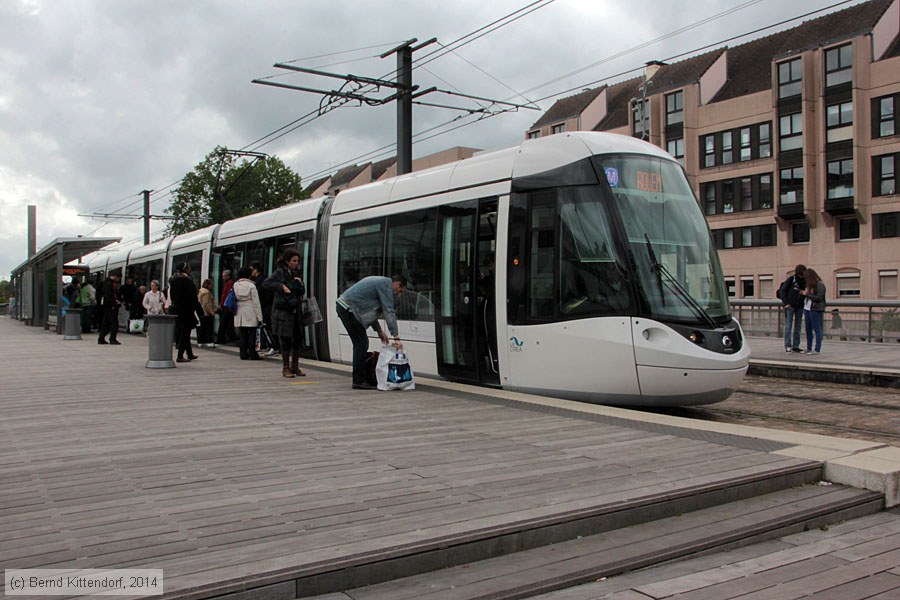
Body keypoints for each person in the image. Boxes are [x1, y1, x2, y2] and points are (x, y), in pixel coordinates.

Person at [335, 275, 405, 390]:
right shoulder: (386, 285)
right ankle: (359, 380)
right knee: (361, 344)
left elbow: (368, 311)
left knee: (361, 343)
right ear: (397, 284)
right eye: (399, 290)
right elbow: (389, 311)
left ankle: (360, 378)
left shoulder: (380, 282)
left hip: (347, 308)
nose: (398, 293)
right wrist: (396, 337)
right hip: (348, 309)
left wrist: (379, 330)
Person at [263, 250, 307, 378]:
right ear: (287, 261)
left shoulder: (295, 273)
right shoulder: (279, 272)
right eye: (294, 261)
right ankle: (285, 368)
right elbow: (266, 283)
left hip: (295, 311)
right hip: (284, 312)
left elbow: (300, 291)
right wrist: (281, 286)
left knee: (297, 339)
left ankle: (295, 366)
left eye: (297, 261)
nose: (296, 263)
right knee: (285, 340)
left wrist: (300, 284)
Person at [169, 262, 200, 363]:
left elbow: (172, 296)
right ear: (186, 269)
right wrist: (199, 310)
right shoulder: (187, 280)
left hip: (177, 309)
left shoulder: (173, 280)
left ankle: (189, 354)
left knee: (183, 332)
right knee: (185, 333)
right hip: (187, 310)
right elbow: (193, 297)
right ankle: (180, 355)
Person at [233, 266, 264, 360]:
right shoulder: (251, 286)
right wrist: (260, 317)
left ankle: (243, 354)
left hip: (239, 311)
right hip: (250, 311)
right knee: (252, 334)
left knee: (242, 334)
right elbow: (256, 303)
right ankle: (252, 354)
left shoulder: (235, 285)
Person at [251, 262, 278, 356]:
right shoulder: (262, 279)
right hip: (266, 306)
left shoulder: (260, 281)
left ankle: (273, 346)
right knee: (266, 327)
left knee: (267, 327)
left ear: (256, 270)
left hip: (265, 307)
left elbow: (261, 296)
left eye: (252, 269)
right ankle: (270, 345)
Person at [777, 264, 806, 353]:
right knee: (788, 326)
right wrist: (786, 303)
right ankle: (788, 345)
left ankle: (796, 345)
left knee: (798, 327)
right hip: (790, 306)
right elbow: (782, 291)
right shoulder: (791, 279)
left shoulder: (805, 281)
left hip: (800, 306)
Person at [800, 268, 826, 355]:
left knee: (817, 329)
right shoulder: (809, 286)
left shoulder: (819, 285)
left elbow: (819, 298)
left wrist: (807, 294)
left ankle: (817, 349)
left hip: (815, 309)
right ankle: (808, 347)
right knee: (808, 329)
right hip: (807, 308)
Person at [97, 273, 121, 345]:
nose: (118, 279)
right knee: (114, 323)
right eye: (118, 278)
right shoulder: (110, 284)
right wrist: (114, 303)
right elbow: (109, 295)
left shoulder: (105, 283)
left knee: (106, 323)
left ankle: (101, 338)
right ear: (115, 276)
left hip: (107, 306)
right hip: (111, 306)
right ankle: (112, 339)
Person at [216, 269, 238, 345]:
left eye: (224, 276)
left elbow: (225, 295)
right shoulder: (230, 282)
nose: (223, 278)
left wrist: (221, 304)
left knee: (224, 323)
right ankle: (231, 337)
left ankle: (221, 338)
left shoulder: (228, 283)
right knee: (227, 322)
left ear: (228, 276)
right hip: (228, 306)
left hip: (226, 306)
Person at [197, 278, 217, 348]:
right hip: (206, 313)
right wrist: (211, 312)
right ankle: (209, 341)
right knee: (208, 328)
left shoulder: (200, 291)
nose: (211, 286)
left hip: (201, 312)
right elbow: (206, 304)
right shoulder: (206, 292)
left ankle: (201, 341)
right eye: (211, 284)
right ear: (208, 285)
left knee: (202, 328)